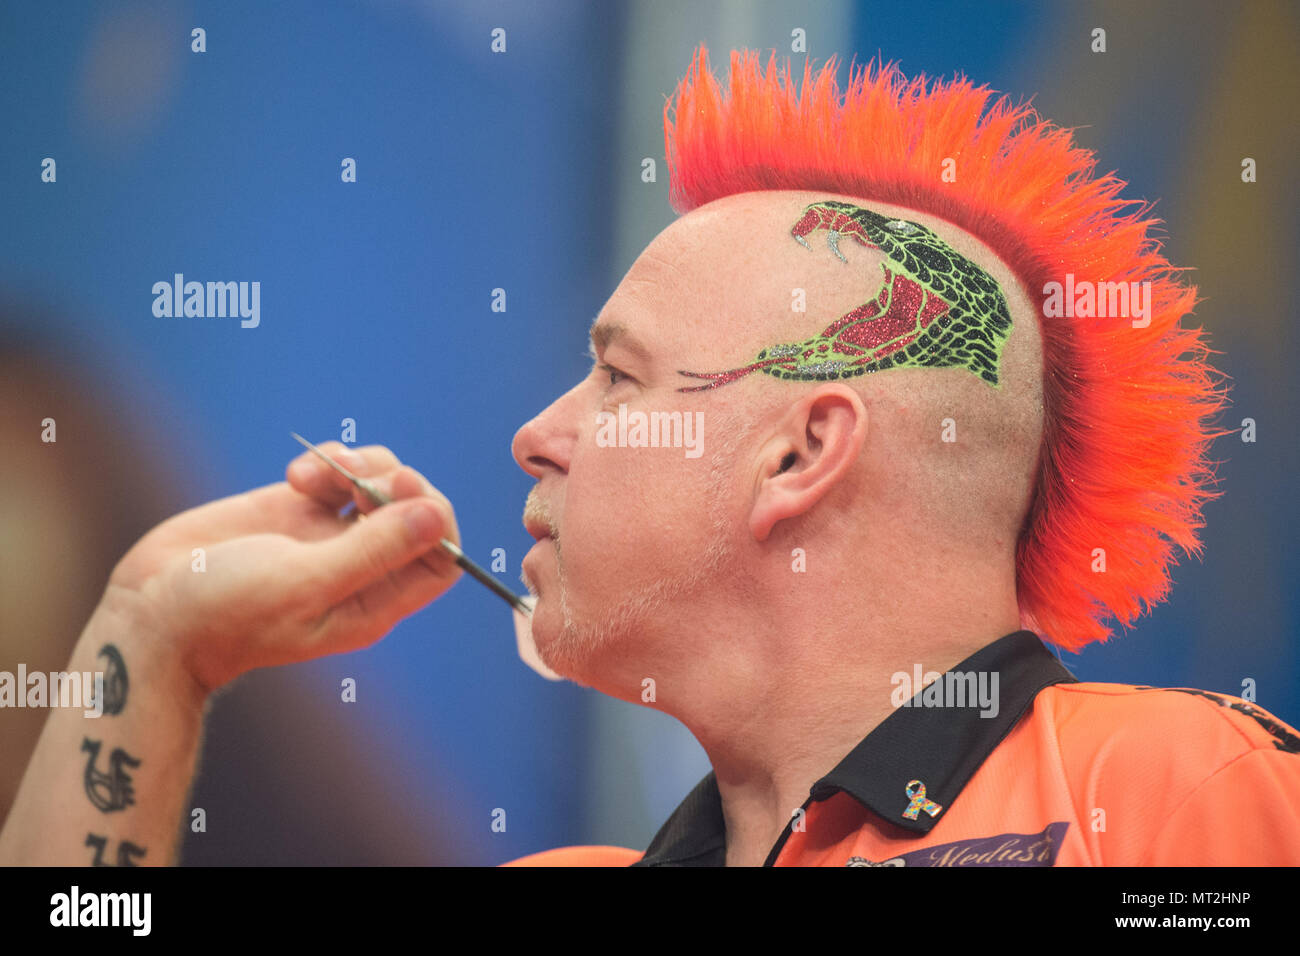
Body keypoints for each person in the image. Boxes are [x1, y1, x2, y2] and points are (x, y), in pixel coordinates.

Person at [2, 47, 1297, 868]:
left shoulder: (1189, 793)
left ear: (802, 451)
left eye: (617, 377)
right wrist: (153, 644)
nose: (537, 434)